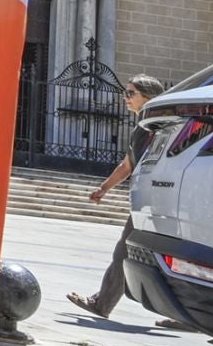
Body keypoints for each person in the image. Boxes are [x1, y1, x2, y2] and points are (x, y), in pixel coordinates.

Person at [67, 73, 168, 318]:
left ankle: (102, 304)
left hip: (158, 199)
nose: (126, 98)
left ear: (148, 97)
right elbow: (127, 166)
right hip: (155, 198)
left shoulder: (155, 126)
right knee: (152, 256)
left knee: (128, 252)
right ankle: (188, 316)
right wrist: (104, 188)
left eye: (131, 93)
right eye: (126, 92)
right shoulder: (145, 126)